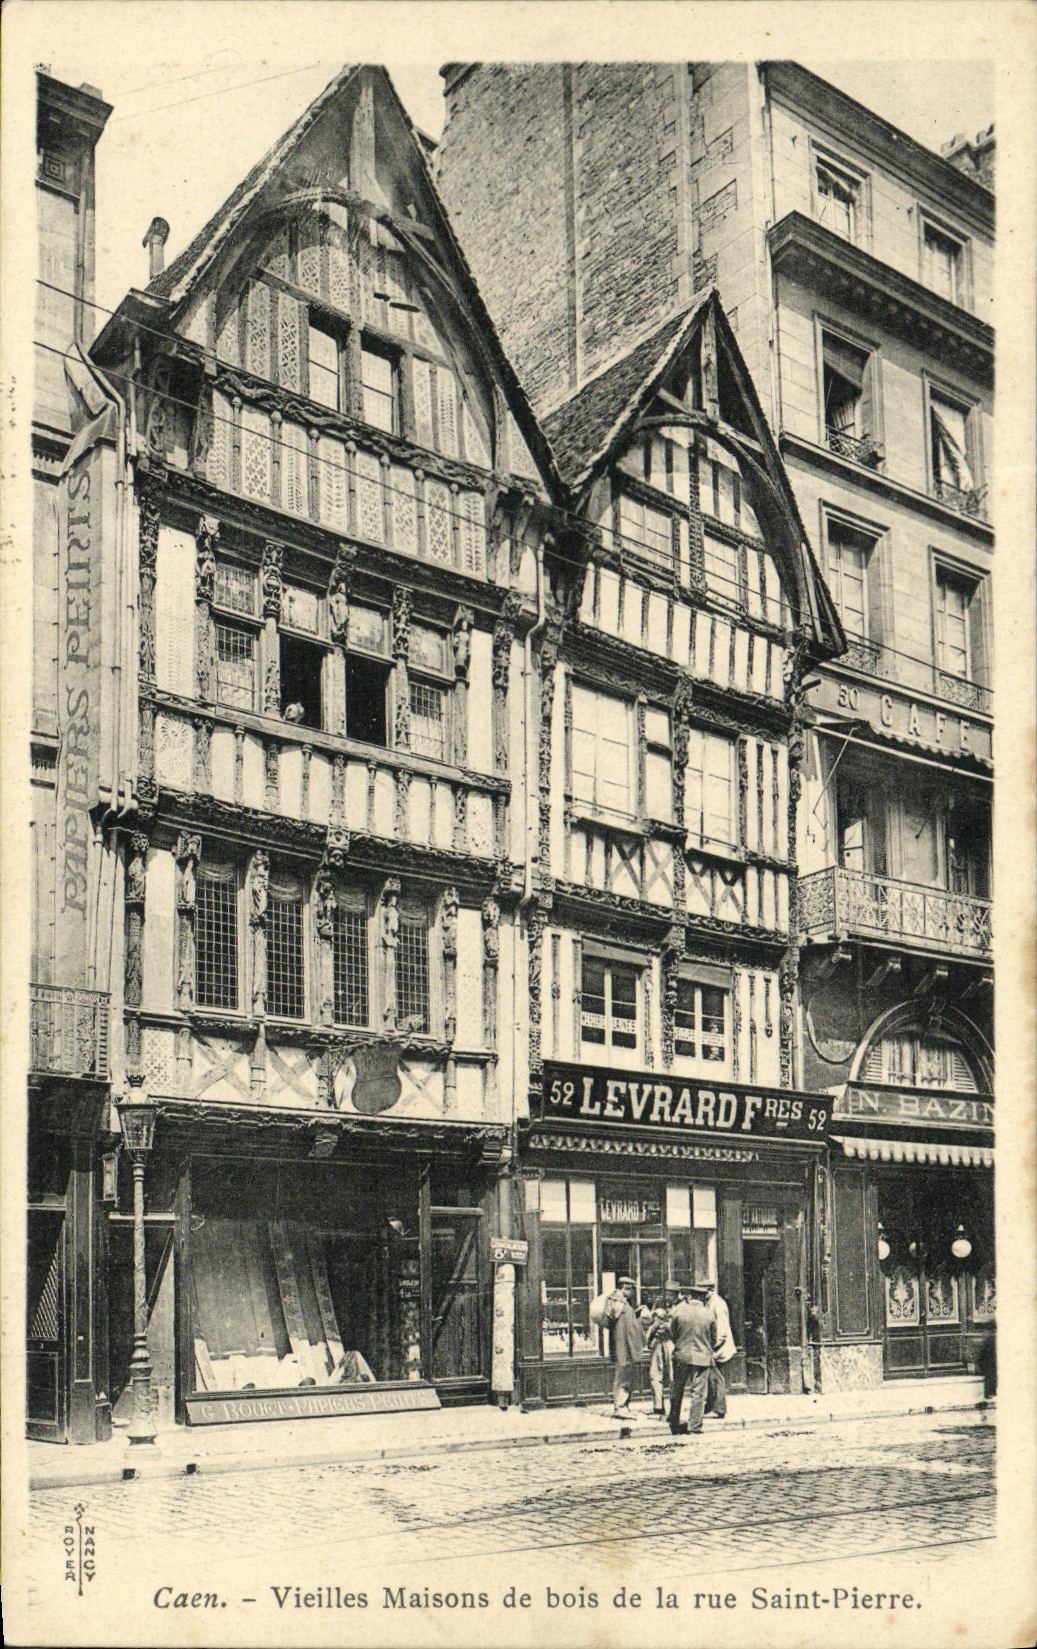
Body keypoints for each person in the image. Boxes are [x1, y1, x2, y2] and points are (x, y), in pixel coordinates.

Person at [667, 1281, 717, 1436]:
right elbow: (714, 1338)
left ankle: (674, 1420)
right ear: (702, 1297)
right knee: (698, 1393)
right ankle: (694, 1425)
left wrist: (680, 1344)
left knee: (677, 1389)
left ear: (690, 1296)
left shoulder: (678, 1311)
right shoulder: (708, 1314)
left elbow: (671, 1333)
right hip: (702, 1357)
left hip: (681, 1355)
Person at [606, 1276, 645, 1418]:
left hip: (629, 1347)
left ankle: (625, 1405)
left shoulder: (624, 1303)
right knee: (622, 1376)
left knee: (627, 1376)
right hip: (622, 1347)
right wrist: (618, 1299)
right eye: (631, 1289)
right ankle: (619, 1406)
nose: (633, 1293)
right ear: (625, 1288)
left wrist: (636, 1312)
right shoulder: (616, 1301)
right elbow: (613, 1316)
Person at [702, 1279, 736, 1420]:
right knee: (711, 1378)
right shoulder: (710, 1302)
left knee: (716, 1379)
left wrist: (713, 1348)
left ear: (710, 1290)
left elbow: (722, 1332)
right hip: (714, 1348)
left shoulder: (718, 1304)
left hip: (719, 1349)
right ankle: (711, 1406)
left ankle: (720, 1408)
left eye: (703, 1290)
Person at [645, 1282, 678, 1418]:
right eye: (667, 1294)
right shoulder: (660, 1304)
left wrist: (668, 1323)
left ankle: (674, 1408)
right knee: (654, 1373)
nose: (668, 1297)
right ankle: (658, 1407)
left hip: (672, 1343)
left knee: (672, 1375)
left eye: (671, 1294)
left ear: (677, 1294)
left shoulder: (681, 1306)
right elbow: (651, 1322)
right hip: (659, 1341)